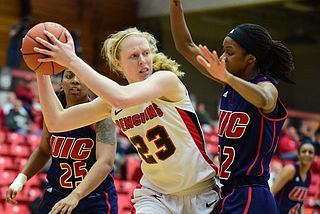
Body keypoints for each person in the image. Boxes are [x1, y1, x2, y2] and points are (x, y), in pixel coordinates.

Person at [32, 26, 220, 214]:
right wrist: (41, 70)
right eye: (133, 56)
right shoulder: (111, 102)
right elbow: (56, 122)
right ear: (118, 64)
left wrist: (72, 60)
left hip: (201, 191)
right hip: (156, 196)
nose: (143, 61)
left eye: (146, 53)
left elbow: (120, 97)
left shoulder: (166, 80)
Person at [164, 0, 295, 213]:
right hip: (230, 191)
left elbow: (265, 99)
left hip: (251, 194)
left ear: (250, 59)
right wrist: (174, 0)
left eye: (229, 52)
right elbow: (185, 46)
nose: (222, 58)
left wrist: (227, 78)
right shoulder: (230, 81)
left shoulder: (265, 86)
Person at [6, 68, 118, 214]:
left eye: (81, 77)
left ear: (90, 83)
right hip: (58, 195)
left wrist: (76, 195)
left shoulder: (102, 116)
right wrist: (20, 179)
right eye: (69, 76)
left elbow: (105, 163)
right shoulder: (52, 115)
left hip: (94, 198)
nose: (75, 81)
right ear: (61, 83)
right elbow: (43, 151)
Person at [271, 140, 316, 214]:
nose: (307, 154)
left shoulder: (309, 175)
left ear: (314, 157)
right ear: (298, 154)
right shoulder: (291, 170)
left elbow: (300, 202)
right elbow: (271, 192)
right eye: (304, 151)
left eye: (310, 152)